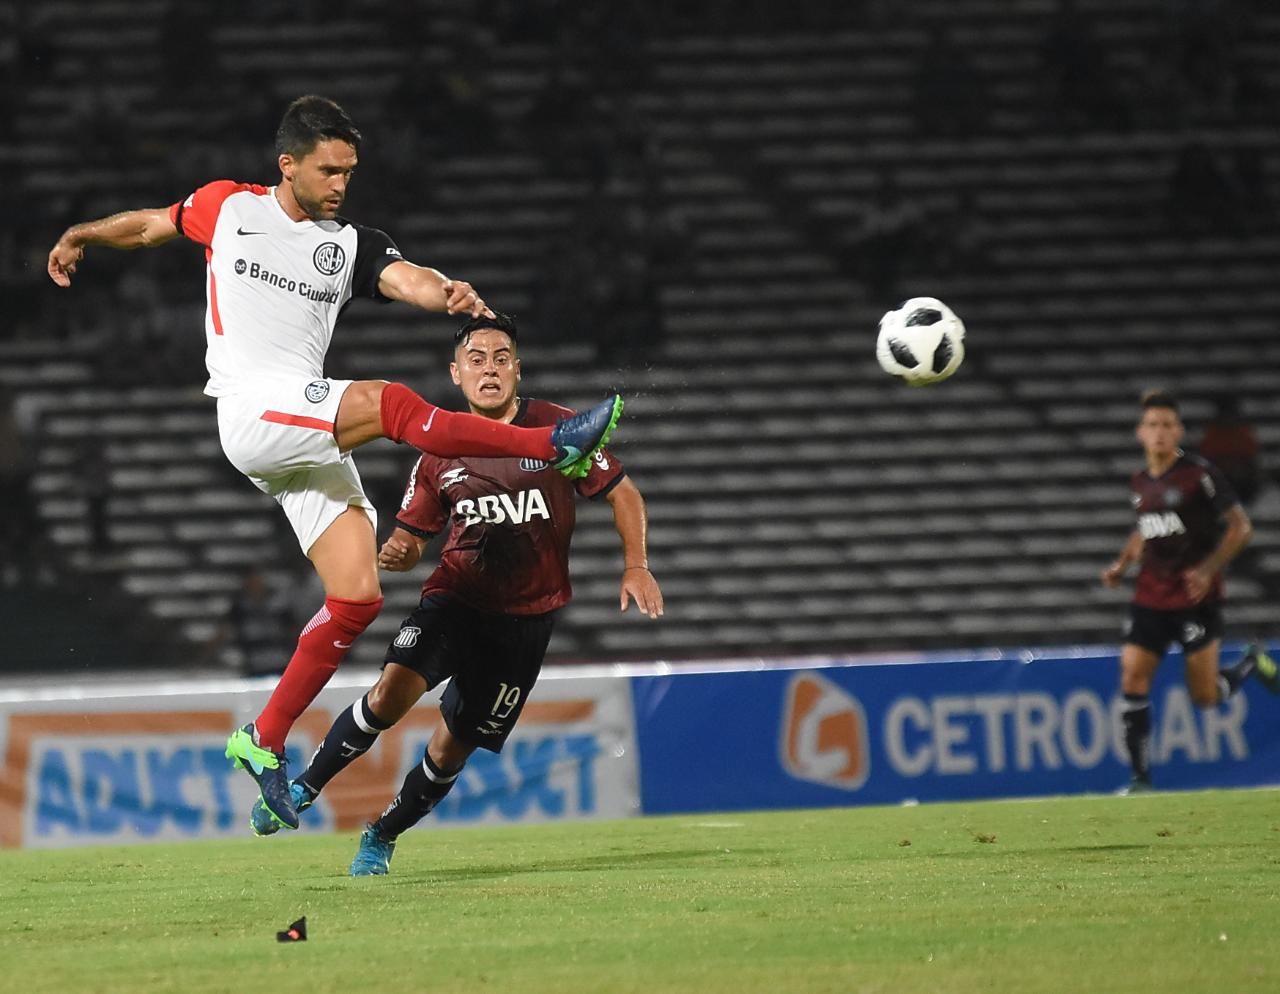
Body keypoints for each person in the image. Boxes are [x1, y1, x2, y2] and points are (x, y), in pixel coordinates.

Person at [45, 95, 625, 830]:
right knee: (390, 403)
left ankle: (262, 738)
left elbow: (402, 275)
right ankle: (553, 445)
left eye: (349, 171)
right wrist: (81, 235)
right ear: (287, 165)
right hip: (254, 409)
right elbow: (150, 225)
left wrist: (443, 292)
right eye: (329, 170)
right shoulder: (228, 208)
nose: (341, 184)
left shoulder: (348, 243)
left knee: (357, 596)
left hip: (300, 429)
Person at [247, 312, 663, 870]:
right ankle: (303, 786)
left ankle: (383, 833)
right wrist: (400, 553)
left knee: (449, 750)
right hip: (455, 603)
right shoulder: (438, 449)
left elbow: (624, 493)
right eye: (476, 360)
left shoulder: (558, 430)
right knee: (391, 693)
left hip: (526, 622)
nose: (489, 369)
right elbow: (412, 537)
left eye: (500, 359)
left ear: (517, 370)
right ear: (456, 373)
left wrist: (636, 565)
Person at [1100, 390, 1276, 794]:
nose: (1160, 432)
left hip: (1196, 599)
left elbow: (1241, 527)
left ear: (1178, 430)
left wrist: (1208, 569)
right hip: (1150, 597)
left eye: (1167, 425)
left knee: (1206, 696)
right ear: (1140, 432)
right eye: (1153, 425)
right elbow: (1145, 529)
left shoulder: (1199, 475)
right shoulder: (1140, 482)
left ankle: (1251, 662)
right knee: (1132, 676)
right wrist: (1122, 566)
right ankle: (1140, 779)